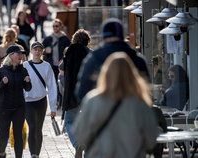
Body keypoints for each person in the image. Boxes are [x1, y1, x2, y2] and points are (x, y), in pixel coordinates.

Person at [72, 52, 158, 158]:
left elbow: (80, 136)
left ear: (105, 73)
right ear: (132, 75)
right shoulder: (140, 103)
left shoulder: (92, 100)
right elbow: (151, 139)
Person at [75, 18, 150, 102]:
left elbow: (82, 92)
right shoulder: (137, 59)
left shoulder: (93, 59)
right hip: (133, 111)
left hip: (102, 111)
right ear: (122, 36)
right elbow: (147, 91)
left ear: (104, 36)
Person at [0, 45, 32, 158]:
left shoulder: (23, 70)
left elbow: (28, 88)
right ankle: (2, 153)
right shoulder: (1, 71)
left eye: (21, 54)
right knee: (4, 136)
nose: (21, 56)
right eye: (18, 53)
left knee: (18, 135)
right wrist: (2, 84)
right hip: (3, 108)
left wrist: (28, 82)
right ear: (11, 55)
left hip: (19, 107)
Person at [60, 29, 92, 158]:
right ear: (87, 41)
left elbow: (61, 68)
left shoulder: (68, 52)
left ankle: (77, 143)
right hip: (87, 96)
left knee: (69, 121)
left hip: (71, 96)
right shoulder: (90, 53)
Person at [23, 41, 57, 158]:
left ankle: (36, 154)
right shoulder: (25, 65)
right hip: (28, 102)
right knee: (32, 127)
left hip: (41, 102)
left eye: (39, 50)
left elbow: (52, 87)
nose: (37, 52)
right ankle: (33, 154)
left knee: (38, 129)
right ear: (31, 51)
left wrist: (53, 107)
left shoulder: (46, 66)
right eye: (35, 49)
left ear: (42, 52)